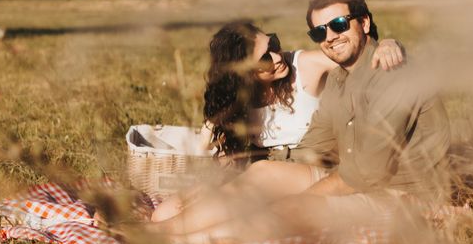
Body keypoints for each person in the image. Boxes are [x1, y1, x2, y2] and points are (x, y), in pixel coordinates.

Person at [152, 0, 450, 244]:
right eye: (320, 31)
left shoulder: (389, 74)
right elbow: (317, 145)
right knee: (262, 177)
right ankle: (165, 232)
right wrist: (266, 181)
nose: (330, 38)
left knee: (288, 210)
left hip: (401, 194)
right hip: (350, 175)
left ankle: (174, 241)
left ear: (364, 22)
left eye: (338, 25)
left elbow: (366, 171)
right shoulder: (339, 79)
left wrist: (300, 197)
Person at [150, 20, 404, 223]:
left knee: (262, 173)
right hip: (263, 177)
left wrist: (388, 44)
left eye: (273, 43)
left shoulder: (305, 65)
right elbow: (233, 160)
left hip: (316, 170)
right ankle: (177, 235)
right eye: (264, 58)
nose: (277, 56)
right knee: (165, 211)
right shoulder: (238, 100)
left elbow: (360, 58)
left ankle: (163, 238)